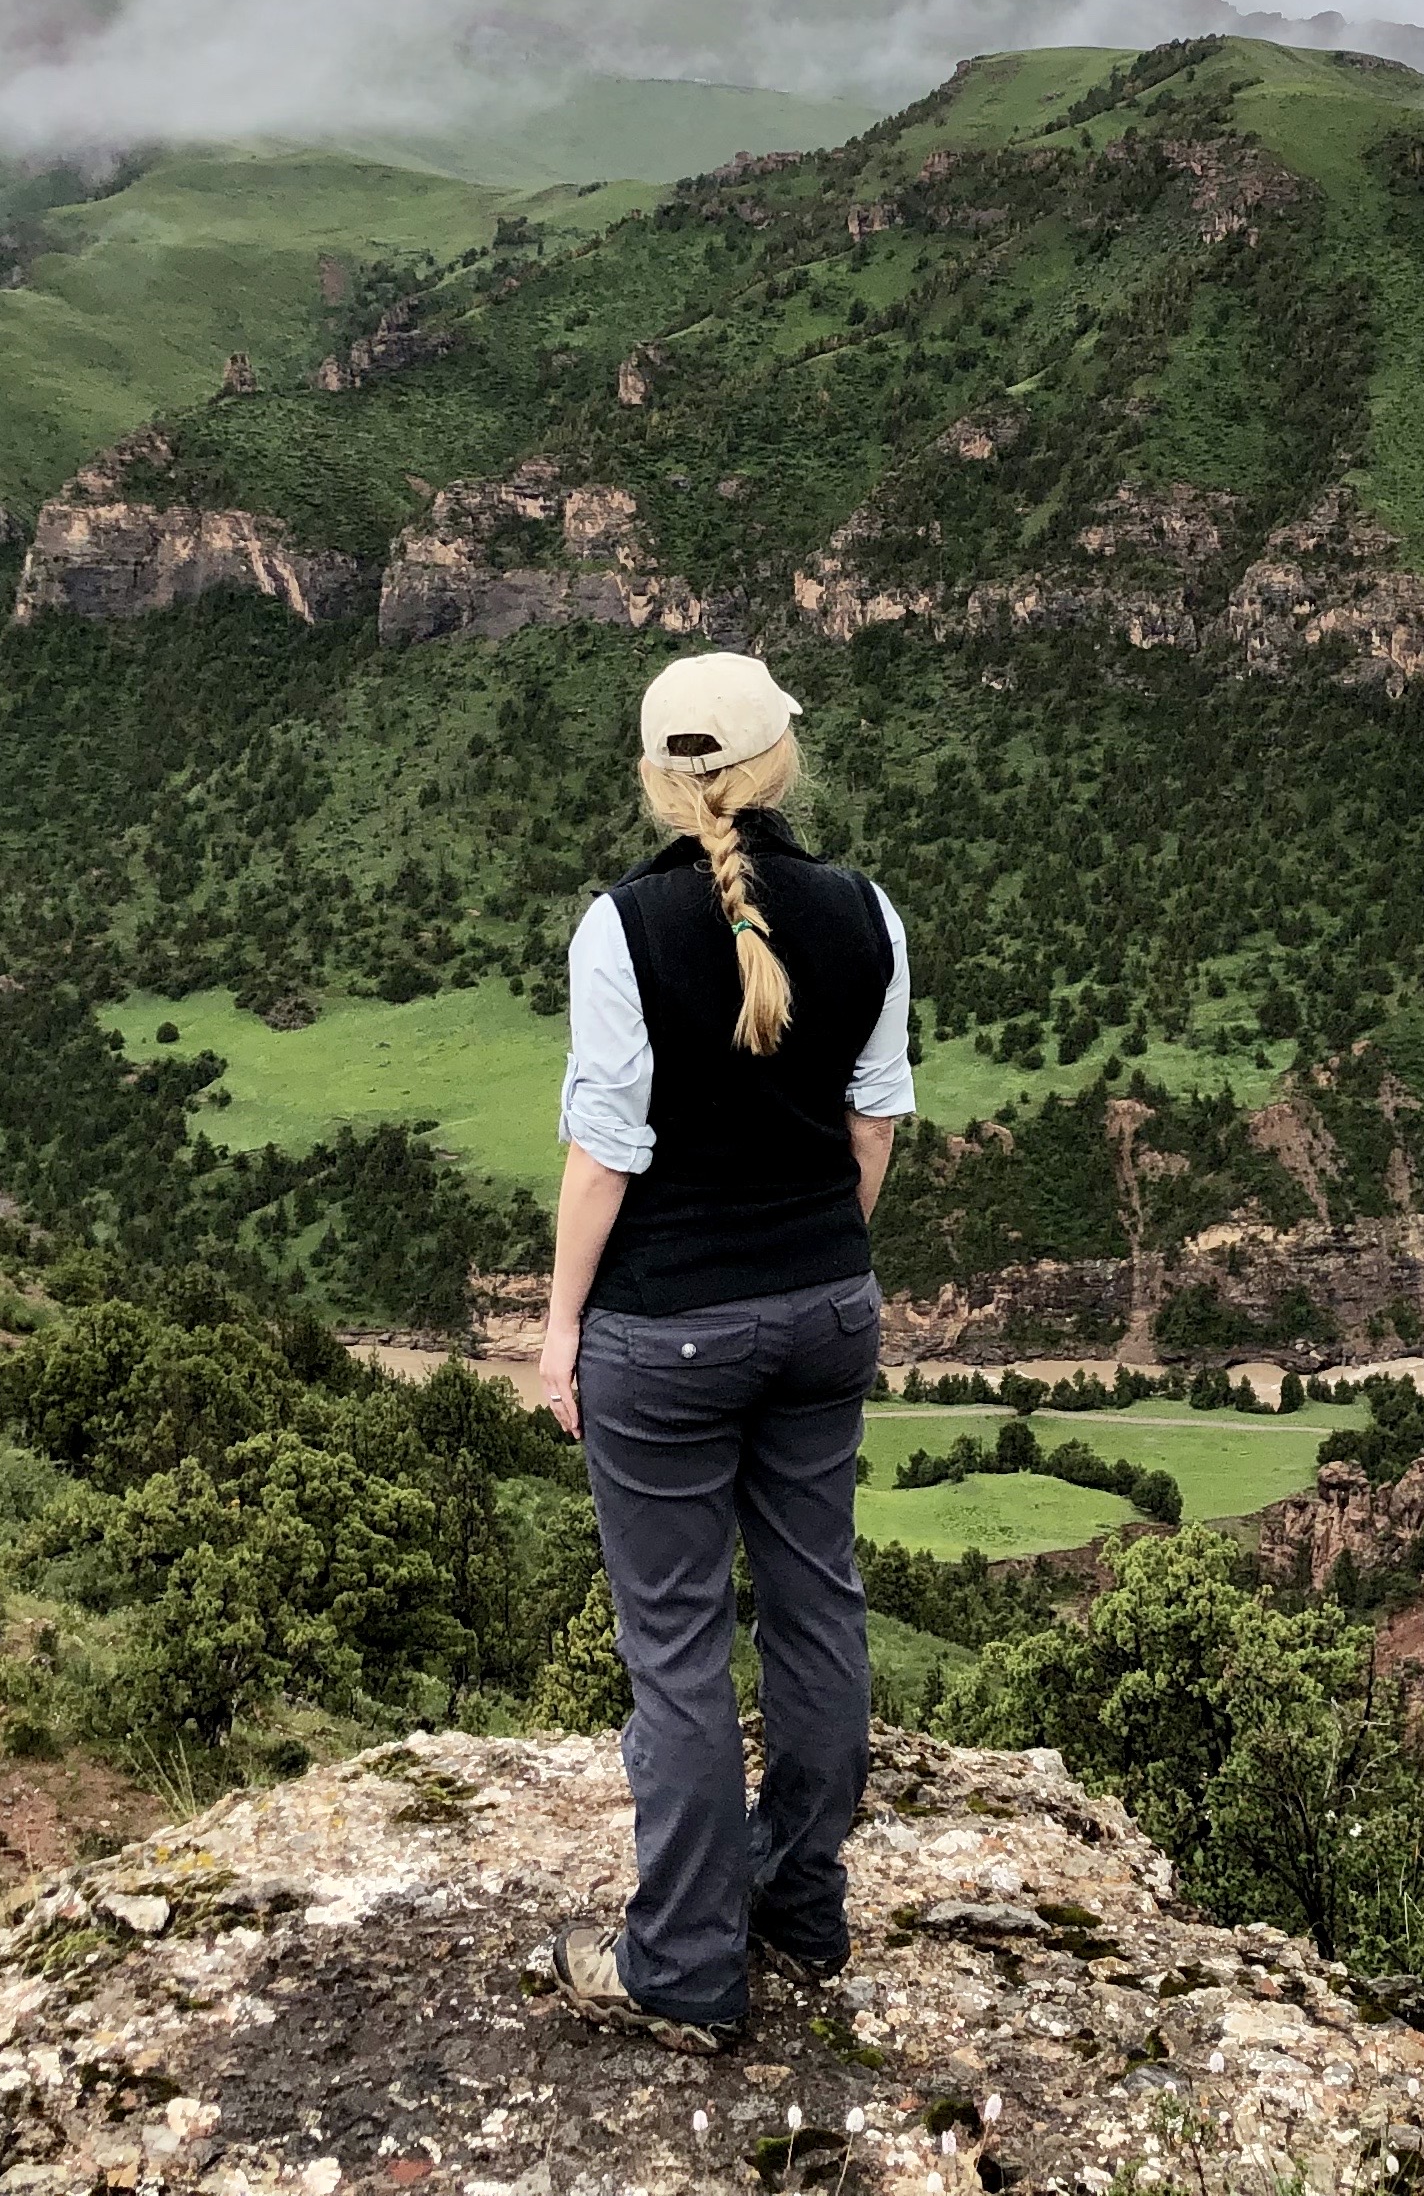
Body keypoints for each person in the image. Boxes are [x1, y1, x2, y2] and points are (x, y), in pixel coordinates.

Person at [539, 649, 911, 2049]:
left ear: (658, 780)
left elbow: (603, 1156)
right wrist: (810, 1262)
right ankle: (801, 1907)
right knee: (818, 1606)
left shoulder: (620, 930)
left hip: (664, 1337)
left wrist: (562, 1330)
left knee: (678, 1645)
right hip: (827, 1310)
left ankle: (687, 1967)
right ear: (780, 764)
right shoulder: (867, 913)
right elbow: (871, 1126)